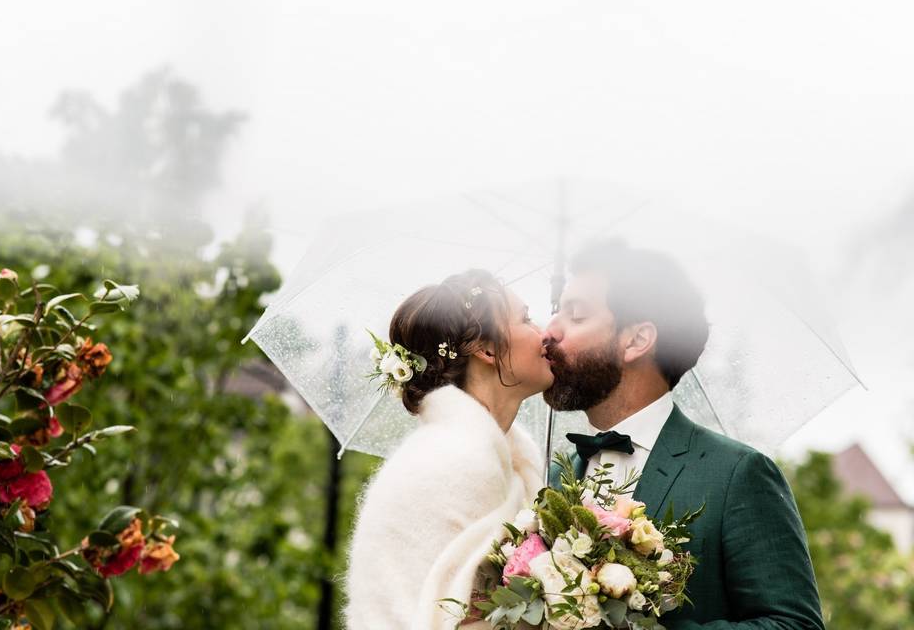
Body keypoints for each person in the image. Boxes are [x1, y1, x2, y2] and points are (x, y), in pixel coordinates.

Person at [543, 240, 825, 629]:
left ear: (637, 340)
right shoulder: (557, 479)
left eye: (575, 316)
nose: (548, 332)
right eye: (557, 312)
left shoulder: (737, 475)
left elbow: (795, 624)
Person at [345, 269, 552, 630]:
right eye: (526, 318)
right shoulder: (453, 461)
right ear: (486, 348)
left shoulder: (499, 458)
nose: (543, 333)